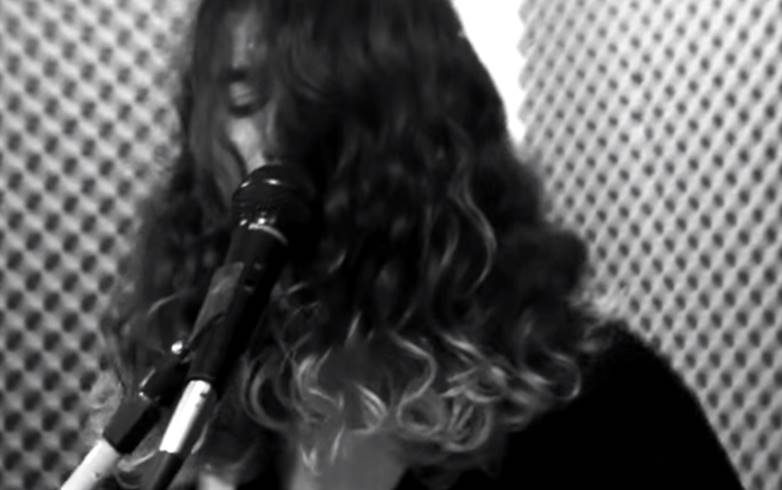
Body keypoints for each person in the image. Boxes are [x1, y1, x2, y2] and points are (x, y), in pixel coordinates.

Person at [94, 0, 744, 488]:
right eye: (244, 97)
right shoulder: (185, 418)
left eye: (317, 107)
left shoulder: (606, 405)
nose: (280, 142)